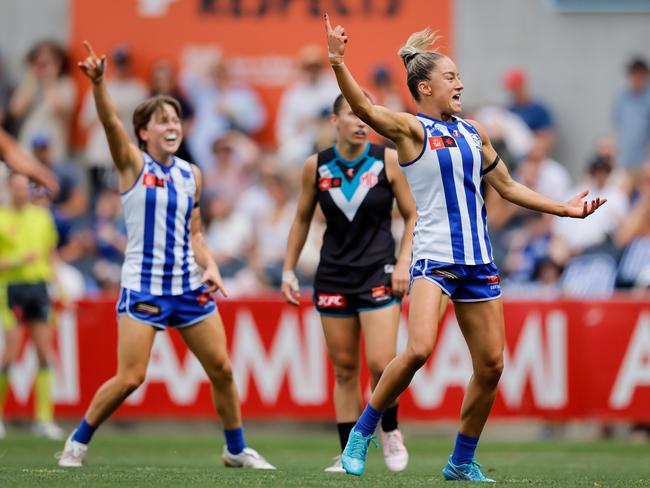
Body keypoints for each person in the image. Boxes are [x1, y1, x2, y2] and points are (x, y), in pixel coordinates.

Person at [324, 16, 605, 481]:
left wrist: (564, 209)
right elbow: (367, 111)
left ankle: (461, 460)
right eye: (450, 77)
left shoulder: (474, 131)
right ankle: (362, 433)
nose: (460, 83)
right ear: (424, 87)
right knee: (417, 350)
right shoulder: (412, 130)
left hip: (478, 259)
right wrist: (337, 61)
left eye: (458, 76)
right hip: (434, 256)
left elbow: (509, 186)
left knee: (492, 365)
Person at [57, 42, 275, 470]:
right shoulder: (133, 166)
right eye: (162, 120)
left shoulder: (191, 174)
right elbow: (110, 124)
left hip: (188, 285)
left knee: (223, 369)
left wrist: (209, 266)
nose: (172, 125)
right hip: (145, 284)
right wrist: (99, 86)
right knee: (131, 377)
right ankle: (78, 442)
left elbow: (195, 232)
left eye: (175, 119)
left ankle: (235, 449)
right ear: (144, 132)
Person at [282, 93, 437, 473]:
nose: (360, 120)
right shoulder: (315, 167)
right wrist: (288, 269)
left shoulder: (387, 160)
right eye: (351, 114)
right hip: (333, 274)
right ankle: (348, 451)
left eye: (364, 113)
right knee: (344, 370)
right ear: (334, 122)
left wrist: (404, 262)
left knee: (382, 364)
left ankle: (390, 430)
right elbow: (302, 219)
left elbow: (412, 215)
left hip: (379, 271)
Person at [0, 172, 63, 440]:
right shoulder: (2, 218)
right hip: (12, 288)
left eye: (25, 187)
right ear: (8, 189)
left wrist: (58, 286)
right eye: (17, 187)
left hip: (38, 288)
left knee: (45, 352)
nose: (22, 192)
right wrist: (17, 261)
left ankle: (43, 418)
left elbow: (51, 255)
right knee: (11, 353)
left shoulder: (42, 217)